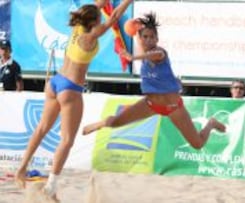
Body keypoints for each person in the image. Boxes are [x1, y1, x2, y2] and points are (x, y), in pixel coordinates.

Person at [14, 0, 134, 199]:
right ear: (94, 21)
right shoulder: (90, 37)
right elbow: (113, 17)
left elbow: (97, 5)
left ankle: (22, 168)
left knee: (42, 128)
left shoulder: (78, 27)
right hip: (70, 89)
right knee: (67, 140)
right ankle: (51, 185)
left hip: (55, 82)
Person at [83, 12, 226, 150]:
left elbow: (153, 55)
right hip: (150, 104)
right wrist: (135, 29)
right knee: (114, 122)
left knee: (198, 144)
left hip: (173, 107)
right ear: (140, 38)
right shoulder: (142, 51)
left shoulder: (159, 53)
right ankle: (100, 124)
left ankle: (211, 123)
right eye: (145, 37)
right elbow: (139, 41)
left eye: (152, 37)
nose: (149, 40)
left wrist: (132, 57)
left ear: (157, 39)